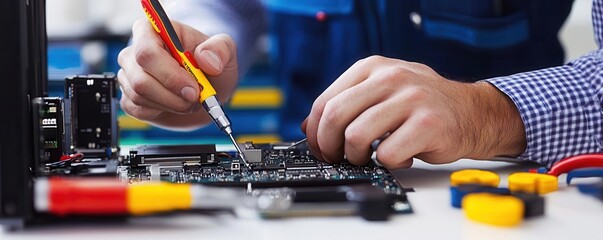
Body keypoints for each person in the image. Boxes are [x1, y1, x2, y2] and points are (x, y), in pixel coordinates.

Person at [117, 0, 602, 169]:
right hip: (307, 195)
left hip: (503, 185)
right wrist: (196, 45)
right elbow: (234, 5)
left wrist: (486, 113)